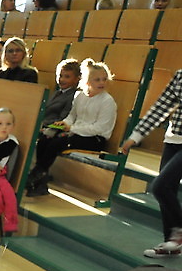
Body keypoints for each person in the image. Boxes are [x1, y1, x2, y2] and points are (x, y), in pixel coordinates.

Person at [27, 58, 117, 196]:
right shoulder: (80, 95)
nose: (102, 83)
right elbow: (72, 116)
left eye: (104, 79)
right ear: (87, 81)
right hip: (76, 133)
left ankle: (36, 176)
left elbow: (99, 128)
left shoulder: (107, 101)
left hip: (95, 139)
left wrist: (71, 129)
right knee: (45, 138)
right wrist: (65, 123)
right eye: (97, 80)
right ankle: (40, 179)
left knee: (58, 142)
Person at [119, 69, 182, 257]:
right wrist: (136, 135)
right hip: (173, 139)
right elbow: (161, 107)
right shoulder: (180, 75)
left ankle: (178, 234)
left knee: (160, 186)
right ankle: (171, 244)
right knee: (167, 190)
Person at [25, 59, 80, 193]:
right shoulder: (57, 93)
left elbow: (63, 118)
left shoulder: (73, 96)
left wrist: (44, 126)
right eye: (60, 76)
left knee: (39, 141)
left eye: (67, 76)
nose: (62, 79)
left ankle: (35, 174)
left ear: (76, 79)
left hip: (54, 128)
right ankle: (38, 180)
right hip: (44, 125)